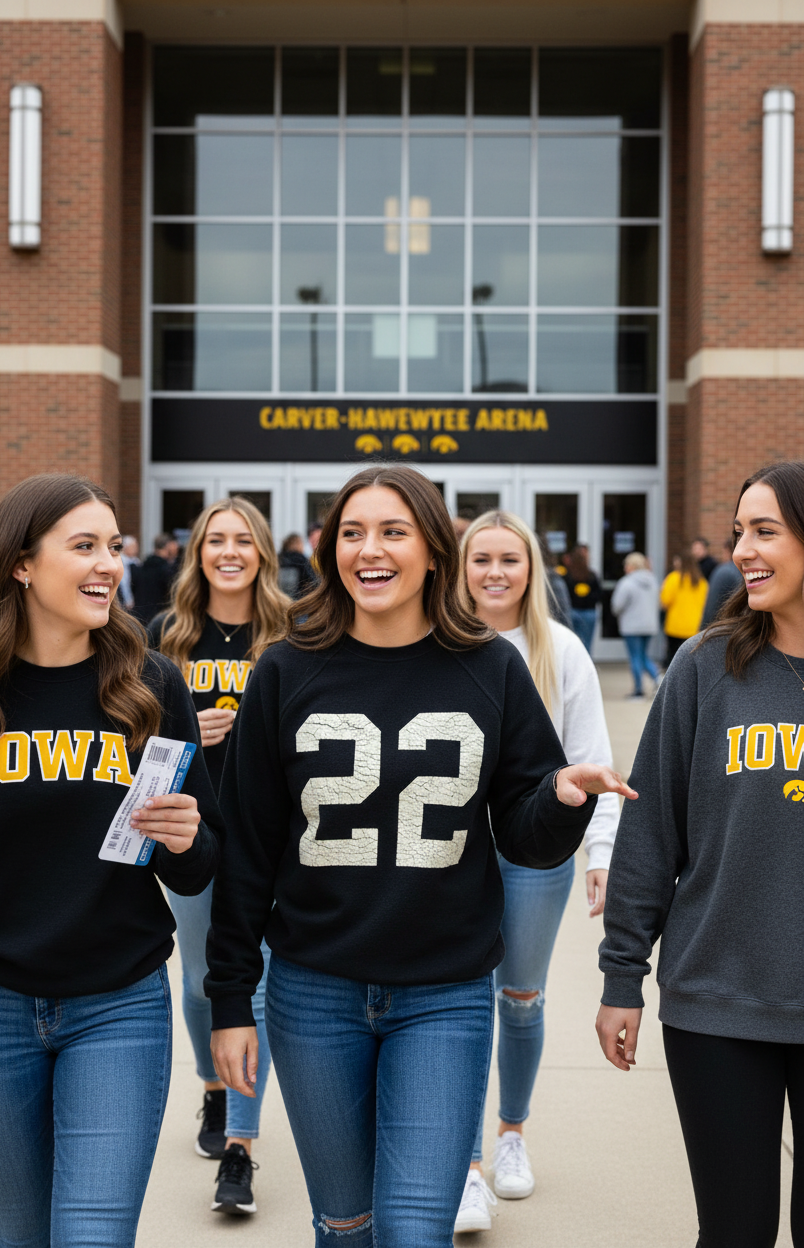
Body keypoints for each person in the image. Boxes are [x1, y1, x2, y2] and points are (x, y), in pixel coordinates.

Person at [205, 463, 634, 1248]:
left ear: (436, 551)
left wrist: (565, 796)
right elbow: (247, 849)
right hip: (313, 991)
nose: (370, 550)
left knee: (414, 1232)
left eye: (394, 531)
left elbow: (526, 834)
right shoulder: (286, 669)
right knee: (344, 1224)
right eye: (353, 532)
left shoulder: (490, 666)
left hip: (444, 993)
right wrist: (232, 998)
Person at [0, 473, 219, 1248]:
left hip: (118, 1001)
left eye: (114, 546)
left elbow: (198, 864)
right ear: (20, 563)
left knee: (92, 1236)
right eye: (83, 546)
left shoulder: (148, 683)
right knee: (18, 1236)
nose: (109, 564)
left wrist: (185, 835)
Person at [596, 459, 804, 1247]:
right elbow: (652, 835)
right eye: (739, 532)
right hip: (718, 1002)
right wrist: (622, 974)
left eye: (765, 531)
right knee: (735, 1231)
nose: (742, 551)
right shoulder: (705, 668)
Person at [454, 511, 620, 1232]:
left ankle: (511, 1136)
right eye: (481, 558)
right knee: (453, 1001)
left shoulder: (562, 649)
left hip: (532, 853)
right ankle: (461, 1168)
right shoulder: (442, 642)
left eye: (509, 560)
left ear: (530, 570)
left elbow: (593, 756)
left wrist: (602, 854)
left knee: (520, 997)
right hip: (450, 849)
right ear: (459, 567)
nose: (495, 572)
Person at [149, 496, 290, 1217]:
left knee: (252, 986)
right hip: (196, 838)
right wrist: (181, 737)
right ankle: (212, 1087)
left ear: (262, 552)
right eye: (215, 540)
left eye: (242, 540)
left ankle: (240, 1146)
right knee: (201, 981)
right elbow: (131, 742)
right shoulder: (166, 635)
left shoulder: (291, 632)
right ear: (197, 552)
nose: (228, 551)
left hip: (269, 838)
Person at [611, 552, 662, 698]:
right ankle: (658, 678)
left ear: (632, 566)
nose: (625, 568)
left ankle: (639, 690)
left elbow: (617, 605)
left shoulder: (626, 583)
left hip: (631, 626)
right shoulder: (652, 581)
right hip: (649, 625)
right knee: (642, 655)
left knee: (635, 657)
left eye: (626, 565)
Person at [660, 548, 708, 668]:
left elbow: (664, 603)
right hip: (695, 626)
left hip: (675, 626)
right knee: (691, 663)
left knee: (673, 662)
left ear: (681, 562)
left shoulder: (673, 578)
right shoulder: (702, 582)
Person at [131, 531, 178, 624]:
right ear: (168, 546)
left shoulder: (141, 567)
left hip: (139, 618)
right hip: (159, 620)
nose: (176, 548)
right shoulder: (167, 571)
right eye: (174, 545)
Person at [565, 544, 602, 654]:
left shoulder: (568, 576)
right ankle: (585, 667)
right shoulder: (591, 575)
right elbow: (599, 595)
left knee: (571, 643)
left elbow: (565, 595)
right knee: (587, 645)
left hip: (573, 612)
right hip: (589, 613)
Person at [700, 538, 742, 628]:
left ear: (727, 551)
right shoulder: (748, 572)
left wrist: (703, 632)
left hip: (722, 630)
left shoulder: (724, 572)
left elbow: (711, 608)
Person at [278, 532, 318, 600]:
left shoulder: (278, 559)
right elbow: (313, 581)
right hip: (298, 602)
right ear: (298, 544)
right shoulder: (301, 560)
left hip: (279, 600)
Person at [118, 534, 139, 611]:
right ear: (125, 547)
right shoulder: (122, 561)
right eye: (133, 547)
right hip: (124, 601)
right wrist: (128, 600)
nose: (136, 549)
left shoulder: (136, 561)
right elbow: (124, 583)